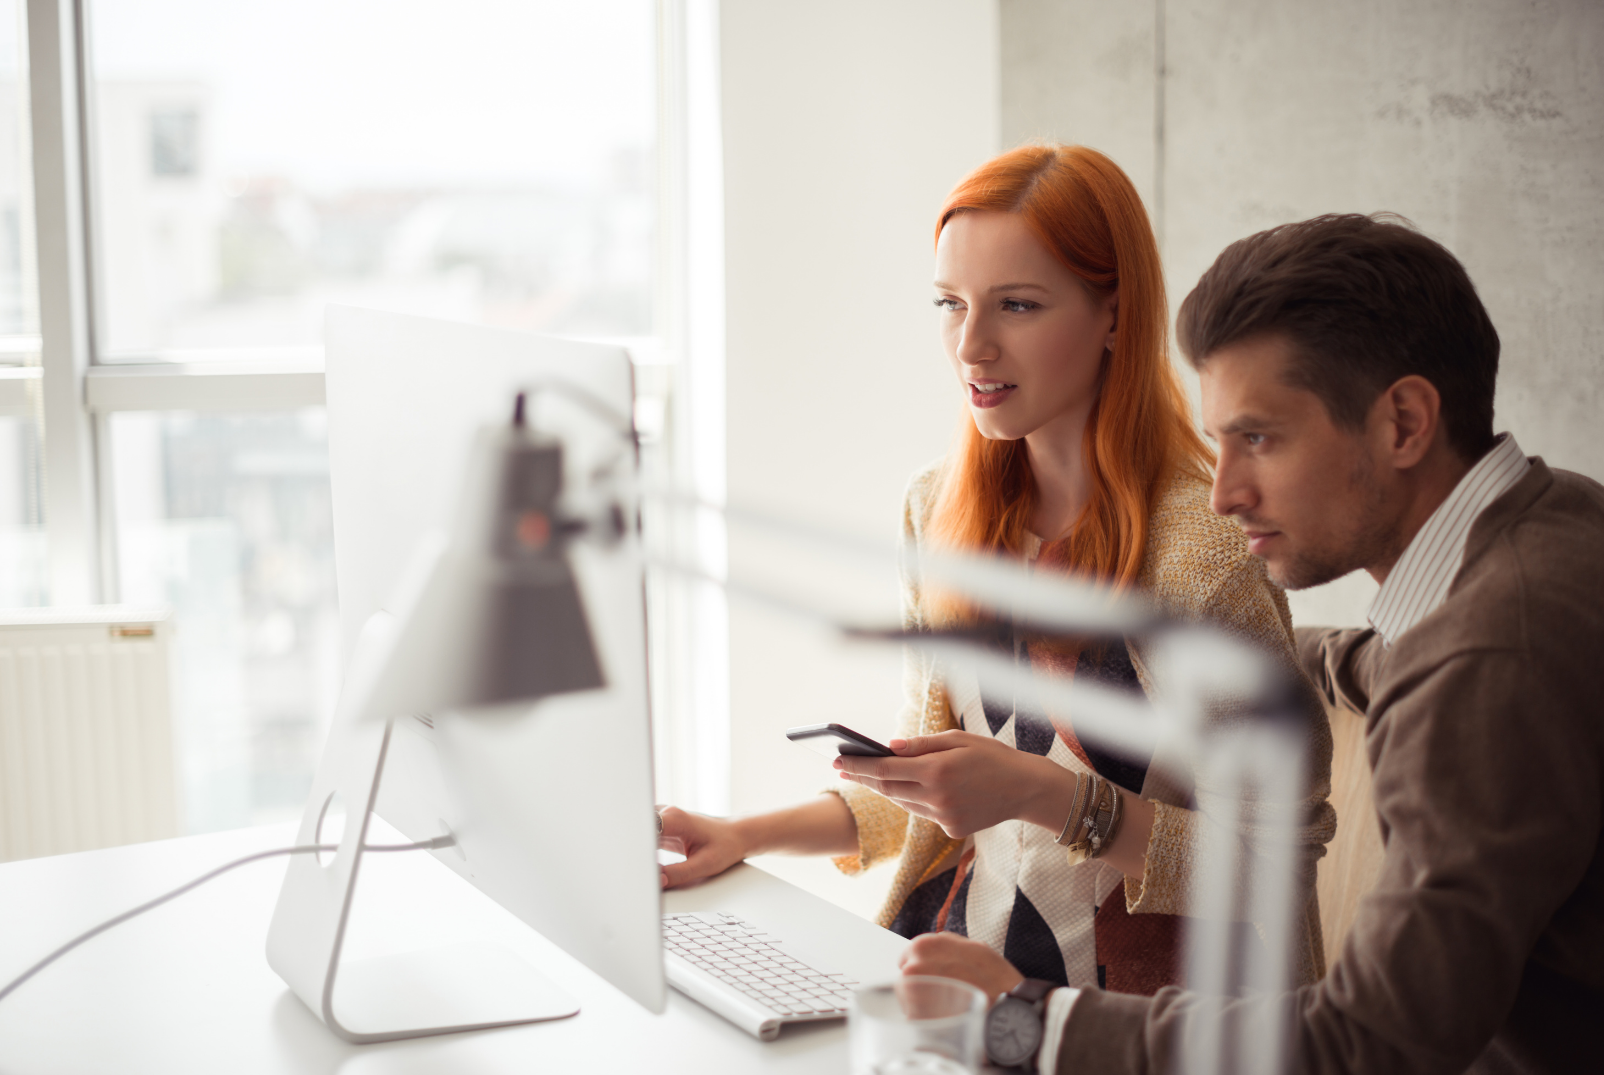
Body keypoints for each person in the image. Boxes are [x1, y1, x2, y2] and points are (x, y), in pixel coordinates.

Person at [905, 213, 1604, 1074]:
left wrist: (1030, 1022)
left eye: (1260, 439)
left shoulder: (1489, 667)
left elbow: (1372, 1043)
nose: (1225, 493)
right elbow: (1397, 655)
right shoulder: (1556, 524)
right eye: (1218, 441)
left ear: (1405, 422)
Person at [659, 143, 1336, 999]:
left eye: (1016, 304)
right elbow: (939, 793)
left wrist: (1043, 792)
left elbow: (1271, 863)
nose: (971, 345)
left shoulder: (1203, 553)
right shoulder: (937, 510)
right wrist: (743, 833)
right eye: (950, 304)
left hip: (1144, 1027)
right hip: (959, 992)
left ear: (1116, 317)